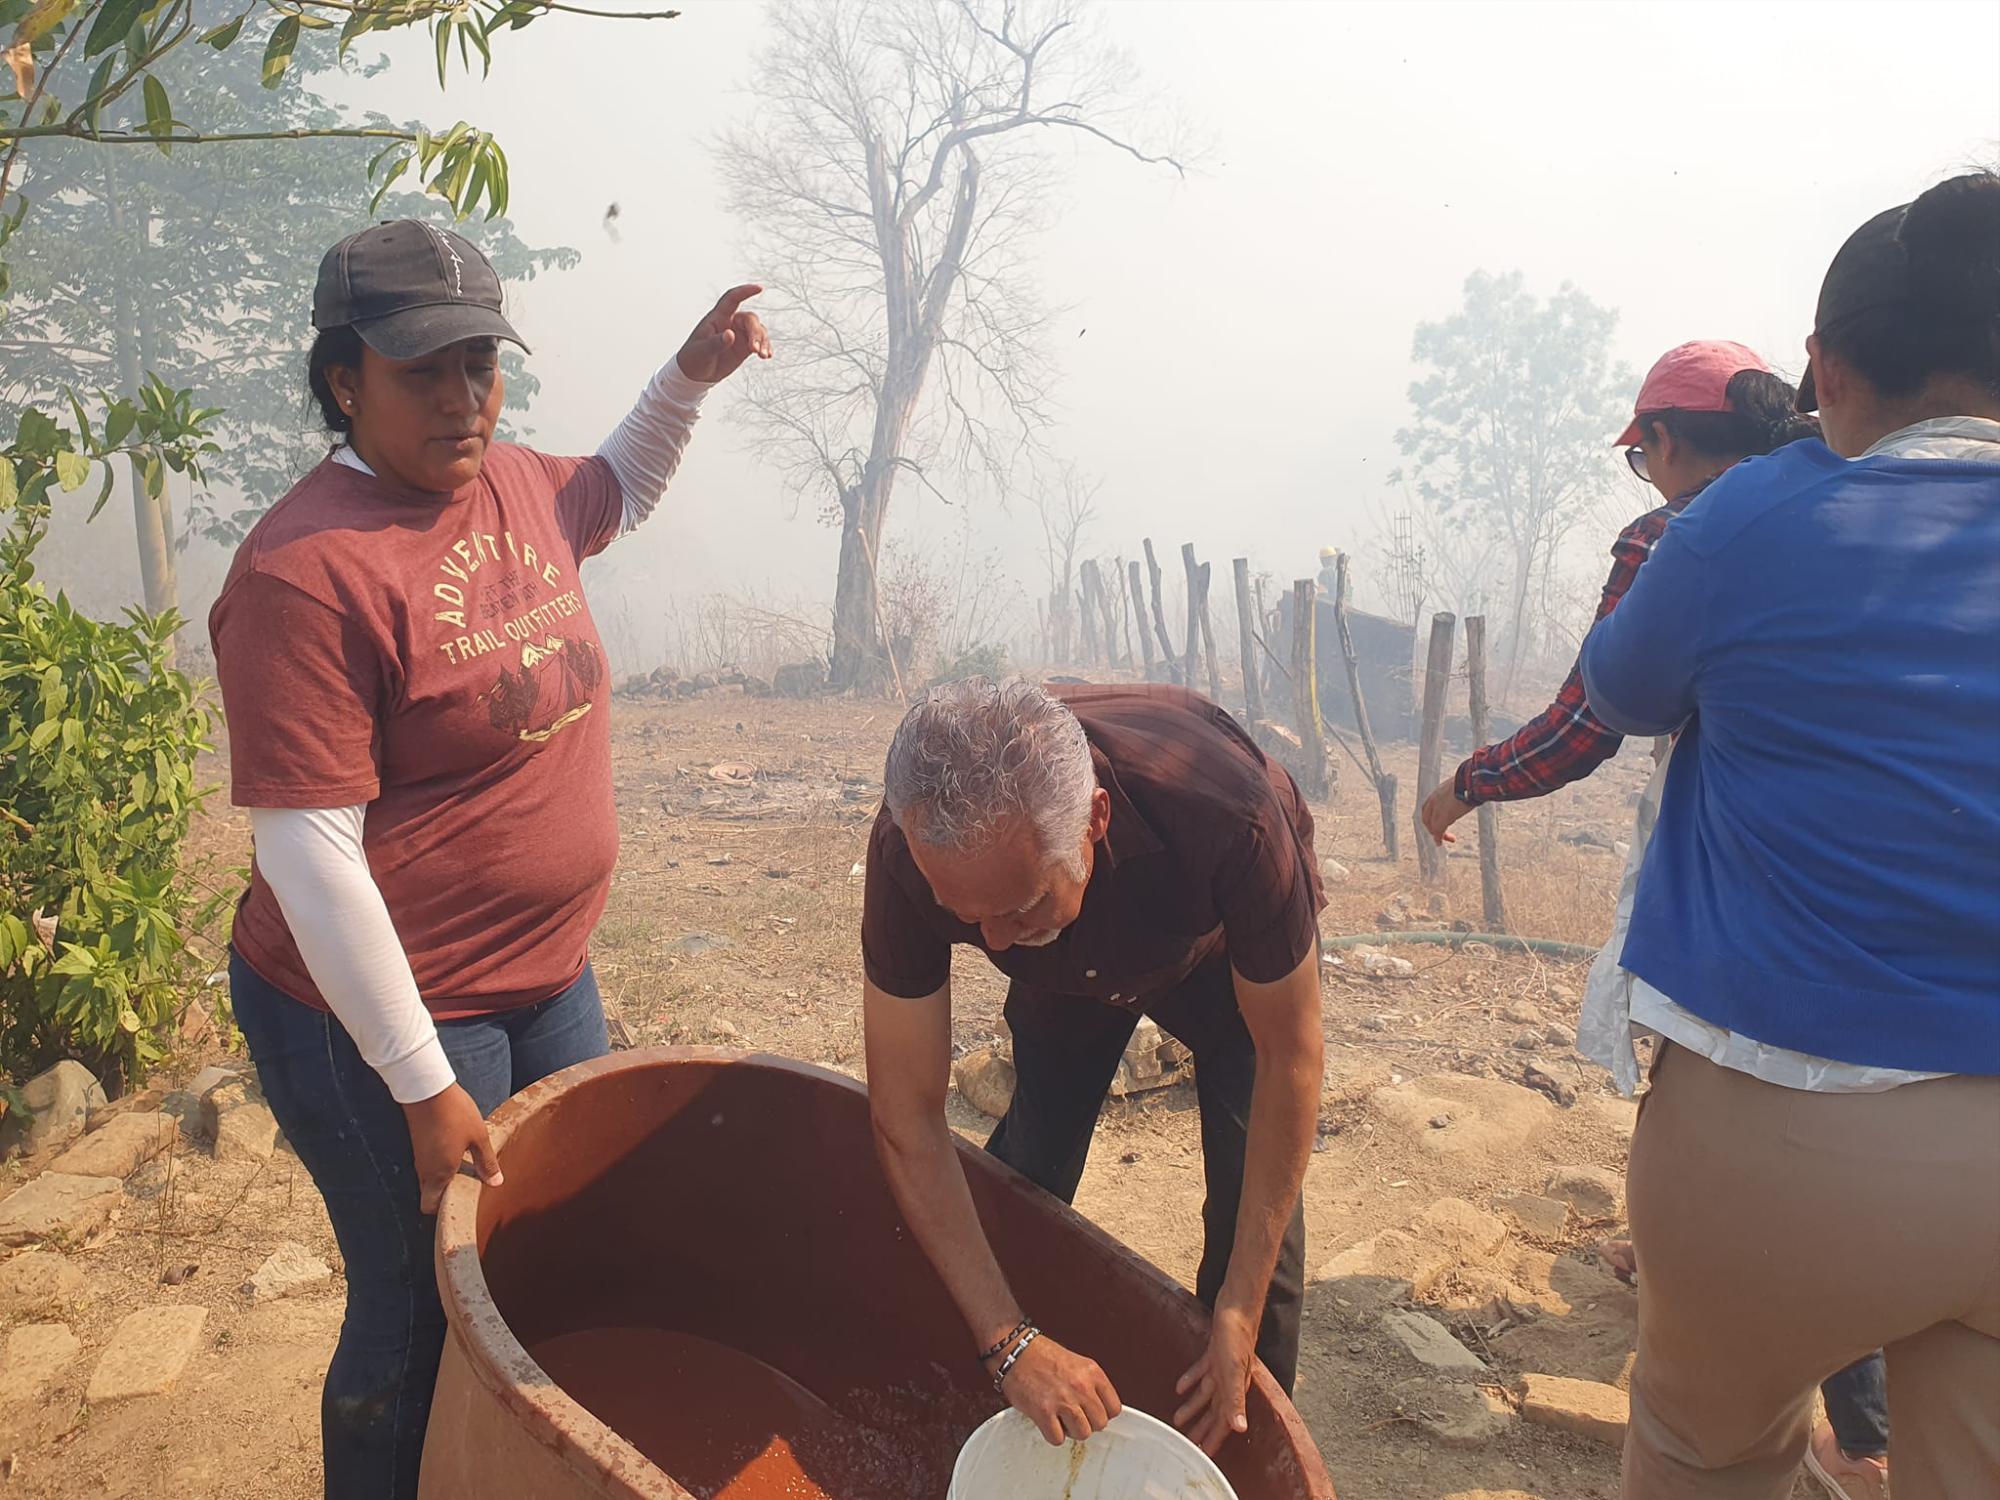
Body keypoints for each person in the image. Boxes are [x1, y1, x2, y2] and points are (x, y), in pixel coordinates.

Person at [208, 220, 770, 1500]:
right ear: (343, 379)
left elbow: (616, 483)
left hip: (545, 976)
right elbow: (309, 854)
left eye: (482, 363)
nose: (464, 397)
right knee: (417, 1306)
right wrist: (417, 1085)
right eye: (425, 371)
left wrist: (686, 377)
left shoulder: (510, 482)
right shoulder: (307, 573)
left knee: (560, 1246)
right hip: (378, 1018)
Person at [1578, 172, 2000, 1499]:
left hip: (1782, 1133)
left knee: (1709, 1452)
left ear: (1823, 367)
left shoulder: (1750, 519)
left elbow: (1621, 691)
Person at [860, 678, 1325, 1458]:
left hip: (1212, 963)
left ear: (1095, 821)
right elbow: (906, 1116)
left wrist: (1237, 1311)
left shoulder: (1227, 816)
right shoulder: (911, 848)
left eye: (1017, 906)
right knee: (1029, 1172)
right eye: (964, 915)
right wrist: (1006, 1341)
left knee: (1256, 1244)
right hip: (1064, 972)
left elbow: (1291, 1056)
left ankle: (1237, 1463)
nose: (994, 944)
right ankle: (984, 1402)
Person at [1419, 340, 1816, 845]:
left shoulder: (1671, 536)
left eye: (1642, 458)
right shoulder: (1840, 504)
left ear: (1665, 440)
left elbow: (1583, 728)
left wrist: (1467, 784)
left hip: (1749, 832)